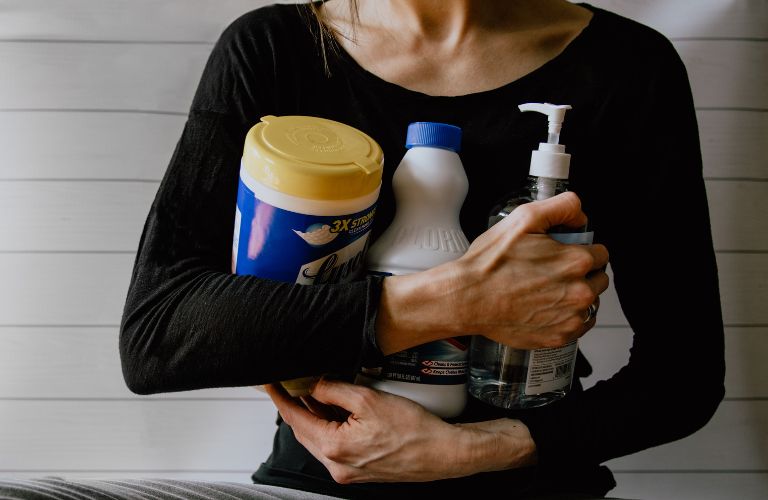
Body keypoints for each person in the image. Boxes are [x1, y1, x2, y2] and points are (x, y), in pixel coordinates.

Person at [0, 1, 725, 499]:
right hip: (324, 478)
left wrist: (477, 450)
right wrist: (453, 300)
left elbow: (685, 378)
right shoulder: (277, 49)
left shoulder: (629, 69)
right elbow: (160, 337)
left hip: (536, 482)